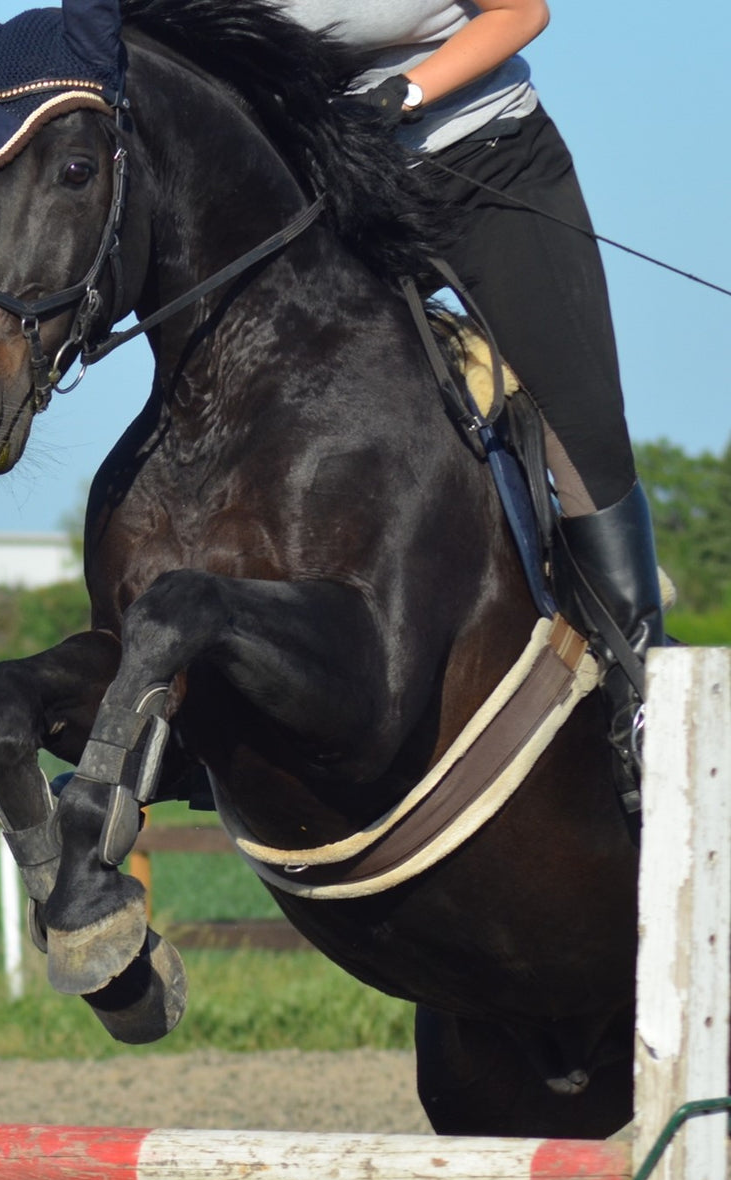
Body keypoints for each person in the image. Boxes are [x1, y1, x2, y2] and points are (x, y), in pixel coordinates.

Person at [280, 0, 663, 805]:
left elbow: (523, 12)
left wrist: (402, 96)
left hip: (489, 166)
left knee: (578, 433)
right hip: (340, 195)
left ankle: (641, 703)